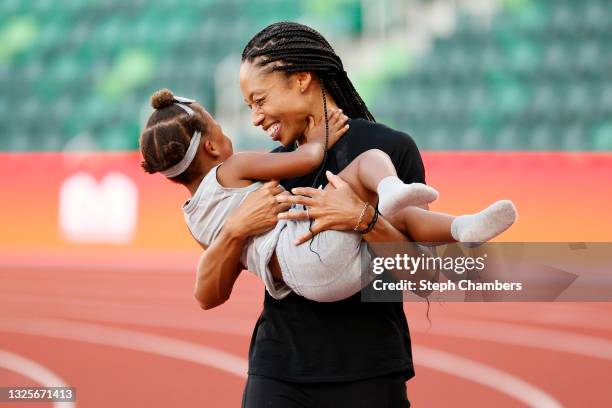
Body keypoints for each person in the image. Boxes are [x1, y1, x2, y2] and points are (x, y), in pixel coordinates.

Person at [194, 22, 514, 407]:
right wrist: (234, 230)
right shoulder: (269, 169)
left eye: (259, 101)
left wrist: (365, 220)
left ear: (301, 79)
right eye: (249, 107)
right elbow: (208, 296)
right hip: (278, 371)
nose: (255, 119)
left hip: (369, 372)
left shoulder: (388, 148)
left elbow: (424, 277)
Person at [139, 89, 516, 302]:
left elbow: (218, 275)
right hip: (310, 248)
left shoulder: (193, 217)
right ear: (211, 147)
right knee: (370, 164)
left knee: (389, 218)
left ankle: (463, 227)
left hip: (306, 284)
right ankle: (394, 189)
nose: (252, 118)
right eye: (220, 127)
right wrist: (322, 135)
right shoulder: (232, 168)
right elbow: (309, 156)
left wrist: (235, 232)